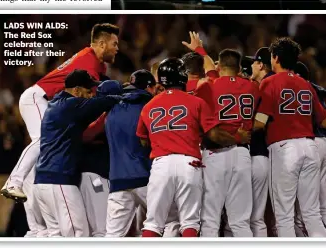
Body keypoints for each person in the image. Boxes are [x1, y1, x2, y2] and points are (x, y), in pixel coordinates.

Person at [0, 22, 120, 237]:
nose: (117, 48)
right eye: (114, 43)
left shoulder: (97, 63)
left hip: (47, 101)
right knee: (42, 142)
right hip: (37, 98)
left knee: (44, 148)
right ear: (101, 44)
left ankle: (34, 216)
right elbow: (94, 100)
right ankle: (14, 181)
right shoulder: (89, 61)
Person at [136, 58, 251, 237]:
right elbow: (214, 135)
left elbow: (143, 141)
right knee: (190, 223)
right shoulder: (195, 102)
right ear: (182, 76)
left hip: (161, 164)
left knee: (153, 224)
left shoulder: (148, 106)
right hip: (189, 164)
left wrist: (164, 137)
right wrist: (237, 137)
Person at [253, 37, 326, 237]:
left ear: (276, 58)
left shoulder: (270, 82)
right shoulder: (305, 83)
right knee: (312, 215)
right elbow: (324, 122)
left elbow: (260, 122)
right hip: (310, 146)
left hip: (285, 149)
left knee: (285, 217)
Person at [33, 70, 120, 237]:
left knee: (56, 236)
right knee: (78, 235)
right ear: (77, 90)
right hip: (59, 180)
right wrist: (128, 96)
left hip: (43, 182)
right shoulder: (70, 105)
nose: (90, 96)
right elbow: (106, 102)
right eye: (88, 92)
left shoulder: (55, 104)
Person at [104, 69, 179, 237]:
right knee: (171, 222)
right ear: (149, 87)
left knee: (113, 236)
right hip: (145, 177)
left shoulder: (112, 109)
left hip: (117, 181)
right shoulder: (151, 108)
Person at [195, 49, 258, 237]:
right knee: (240, 222)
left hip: (216, 153)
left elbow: (208, 129)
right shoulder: (253, 86)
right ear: (239, 68)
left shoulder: (207, 86)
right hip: (242, 153)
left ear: (219, 66)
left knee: (210, 220)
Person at [79, 80, 123, 237]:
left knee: (93, 230)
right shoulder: (96, 114)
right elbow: (84, 136)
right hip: (94, 178)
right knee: (101, 229)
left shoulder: (95, 113)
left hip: (92, 176)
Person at [294, 61, 326, 234]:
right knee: (324, 208)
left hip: (310, 144)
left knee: (305, 214)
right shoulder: (314, 89)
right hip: (324, 143)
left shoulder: (294, 89)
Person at [246, 47, 275, 237]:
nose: (251, 65)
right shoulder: (273, 83)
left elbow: (259, 125)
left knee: (252, 218)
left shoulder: (265, 85)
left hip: (262, 154)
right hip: (272, 155)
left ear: (261, 65)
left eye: (254, 62)